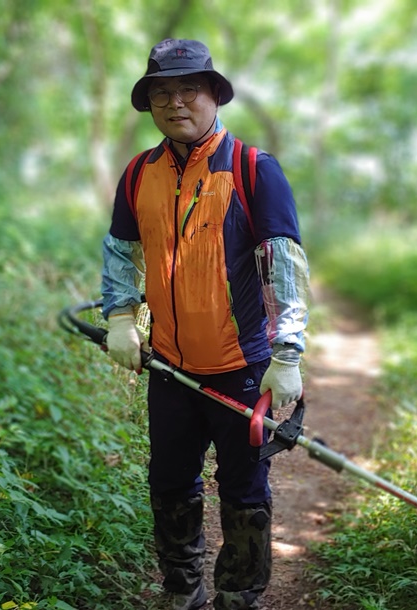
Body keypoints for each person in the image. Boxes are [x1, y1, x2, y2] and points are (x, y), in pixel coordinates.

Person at [99, 38, 311, 610]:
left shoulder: (253, 169)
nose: (175, 102)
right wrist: (120, 317)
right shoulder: (139, 173)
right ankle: (182, 590)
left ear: (215, 94)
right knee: (169, 483)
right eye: (162, 92)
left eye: (188, 88)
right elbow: (121, 252)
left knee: (244, 490)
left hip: (243, 369)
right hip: (169, 367)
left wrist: (287, 353)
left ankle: (239, 596)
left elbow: (284, 265)